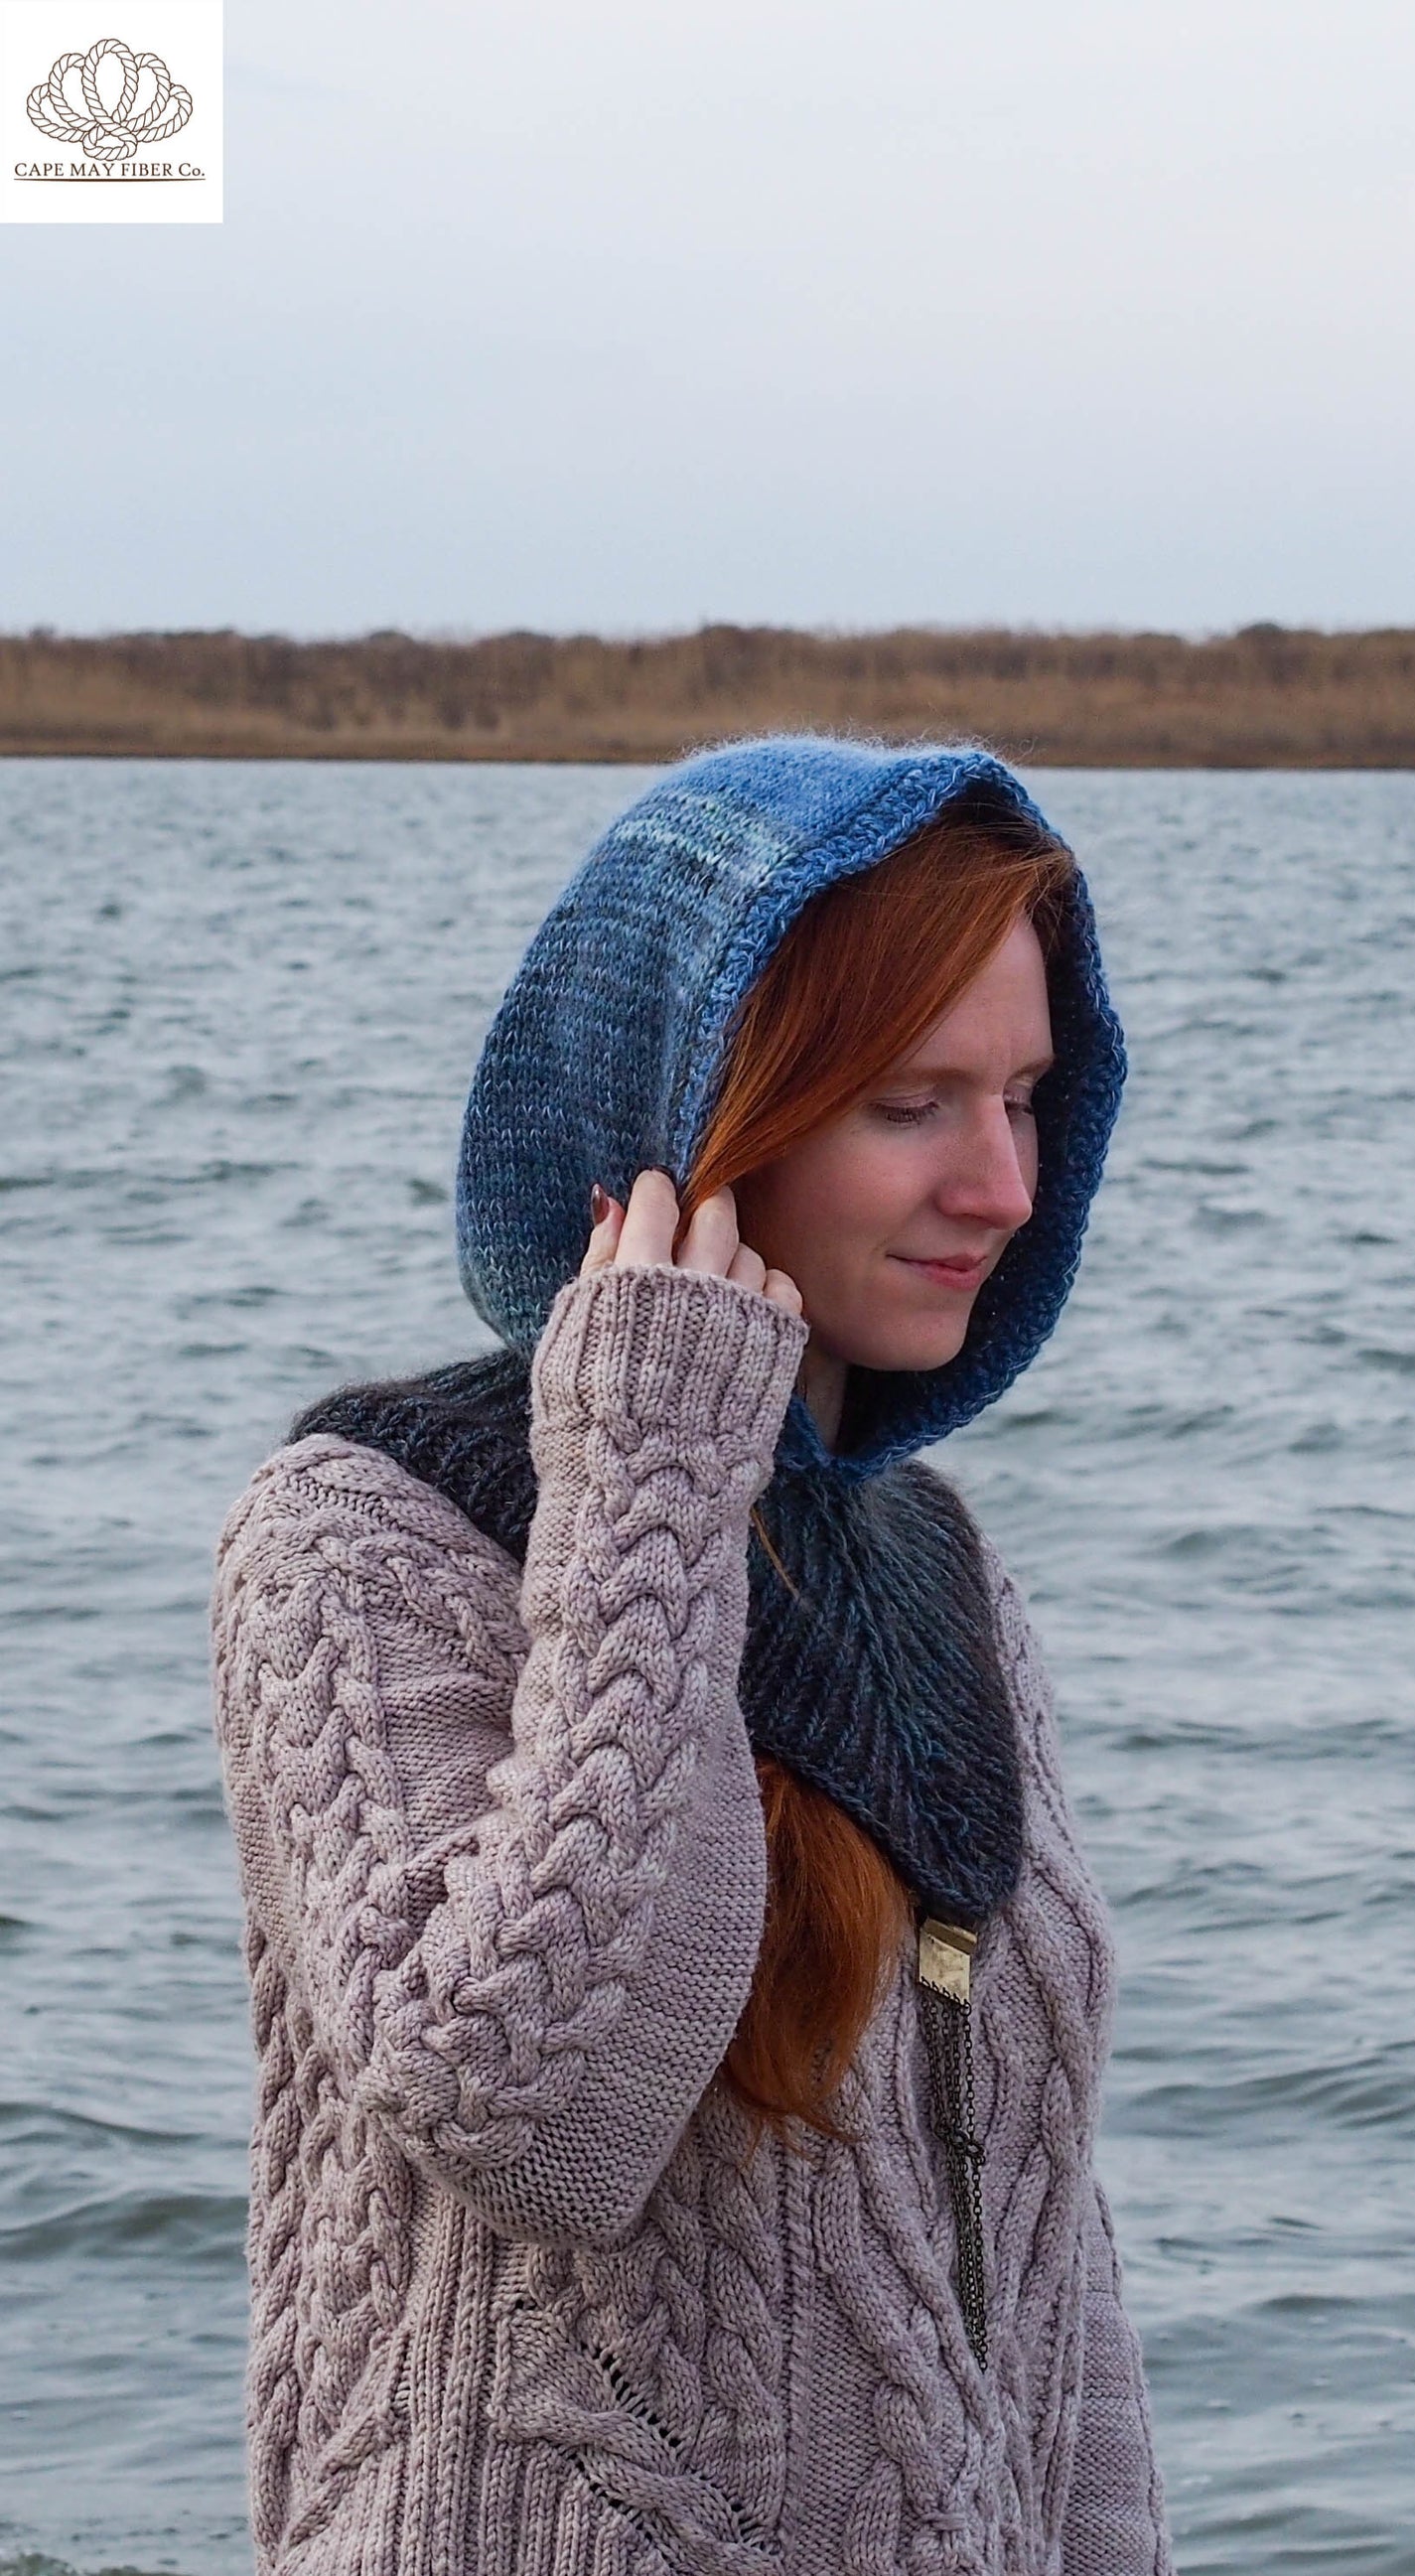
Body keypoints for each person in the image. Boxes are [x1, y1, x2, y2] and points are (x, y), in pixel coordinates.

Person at [209, 736, 1173, 2576]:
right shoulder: (364, 1534)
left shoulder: (931, 1569)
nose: (1001, 1183)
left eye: (1026, 1097)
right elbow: (533, 2119)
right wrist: (653, 1480)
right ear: (706, 1115)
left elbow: (1054, 2273)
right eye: (911, 1103)